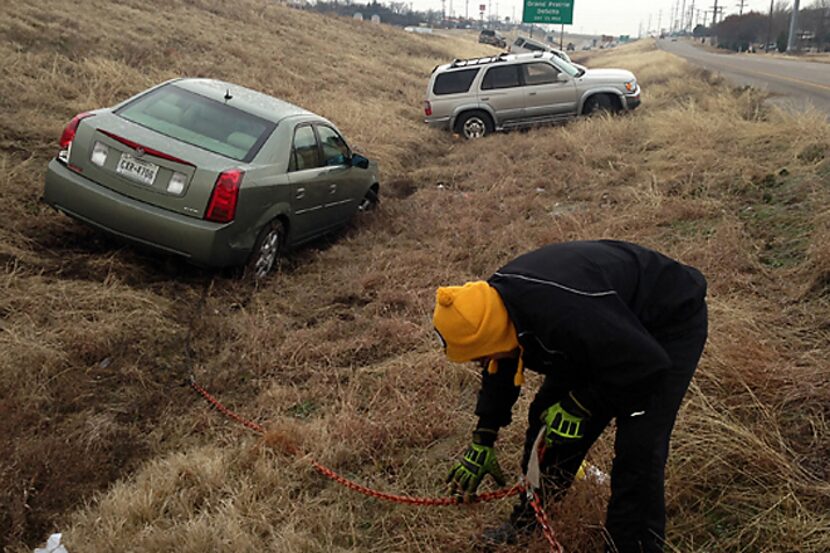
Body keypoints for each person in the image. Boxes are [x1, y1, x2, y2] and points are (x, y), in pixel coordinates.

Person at [433, 240, 708, 553]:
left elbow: (647, 364)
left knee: (639, 447)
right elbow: (502, 365)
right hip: (604, 333)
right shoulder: (497, 306)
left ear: (491, 334)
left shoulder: (564, 311)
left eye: (477, 357)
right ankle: (529, 521)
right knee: (547, 420)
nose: (478, 364)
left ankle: (632, 546)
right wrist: (484, 436)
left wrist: (581, 404)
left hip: (663, 331)